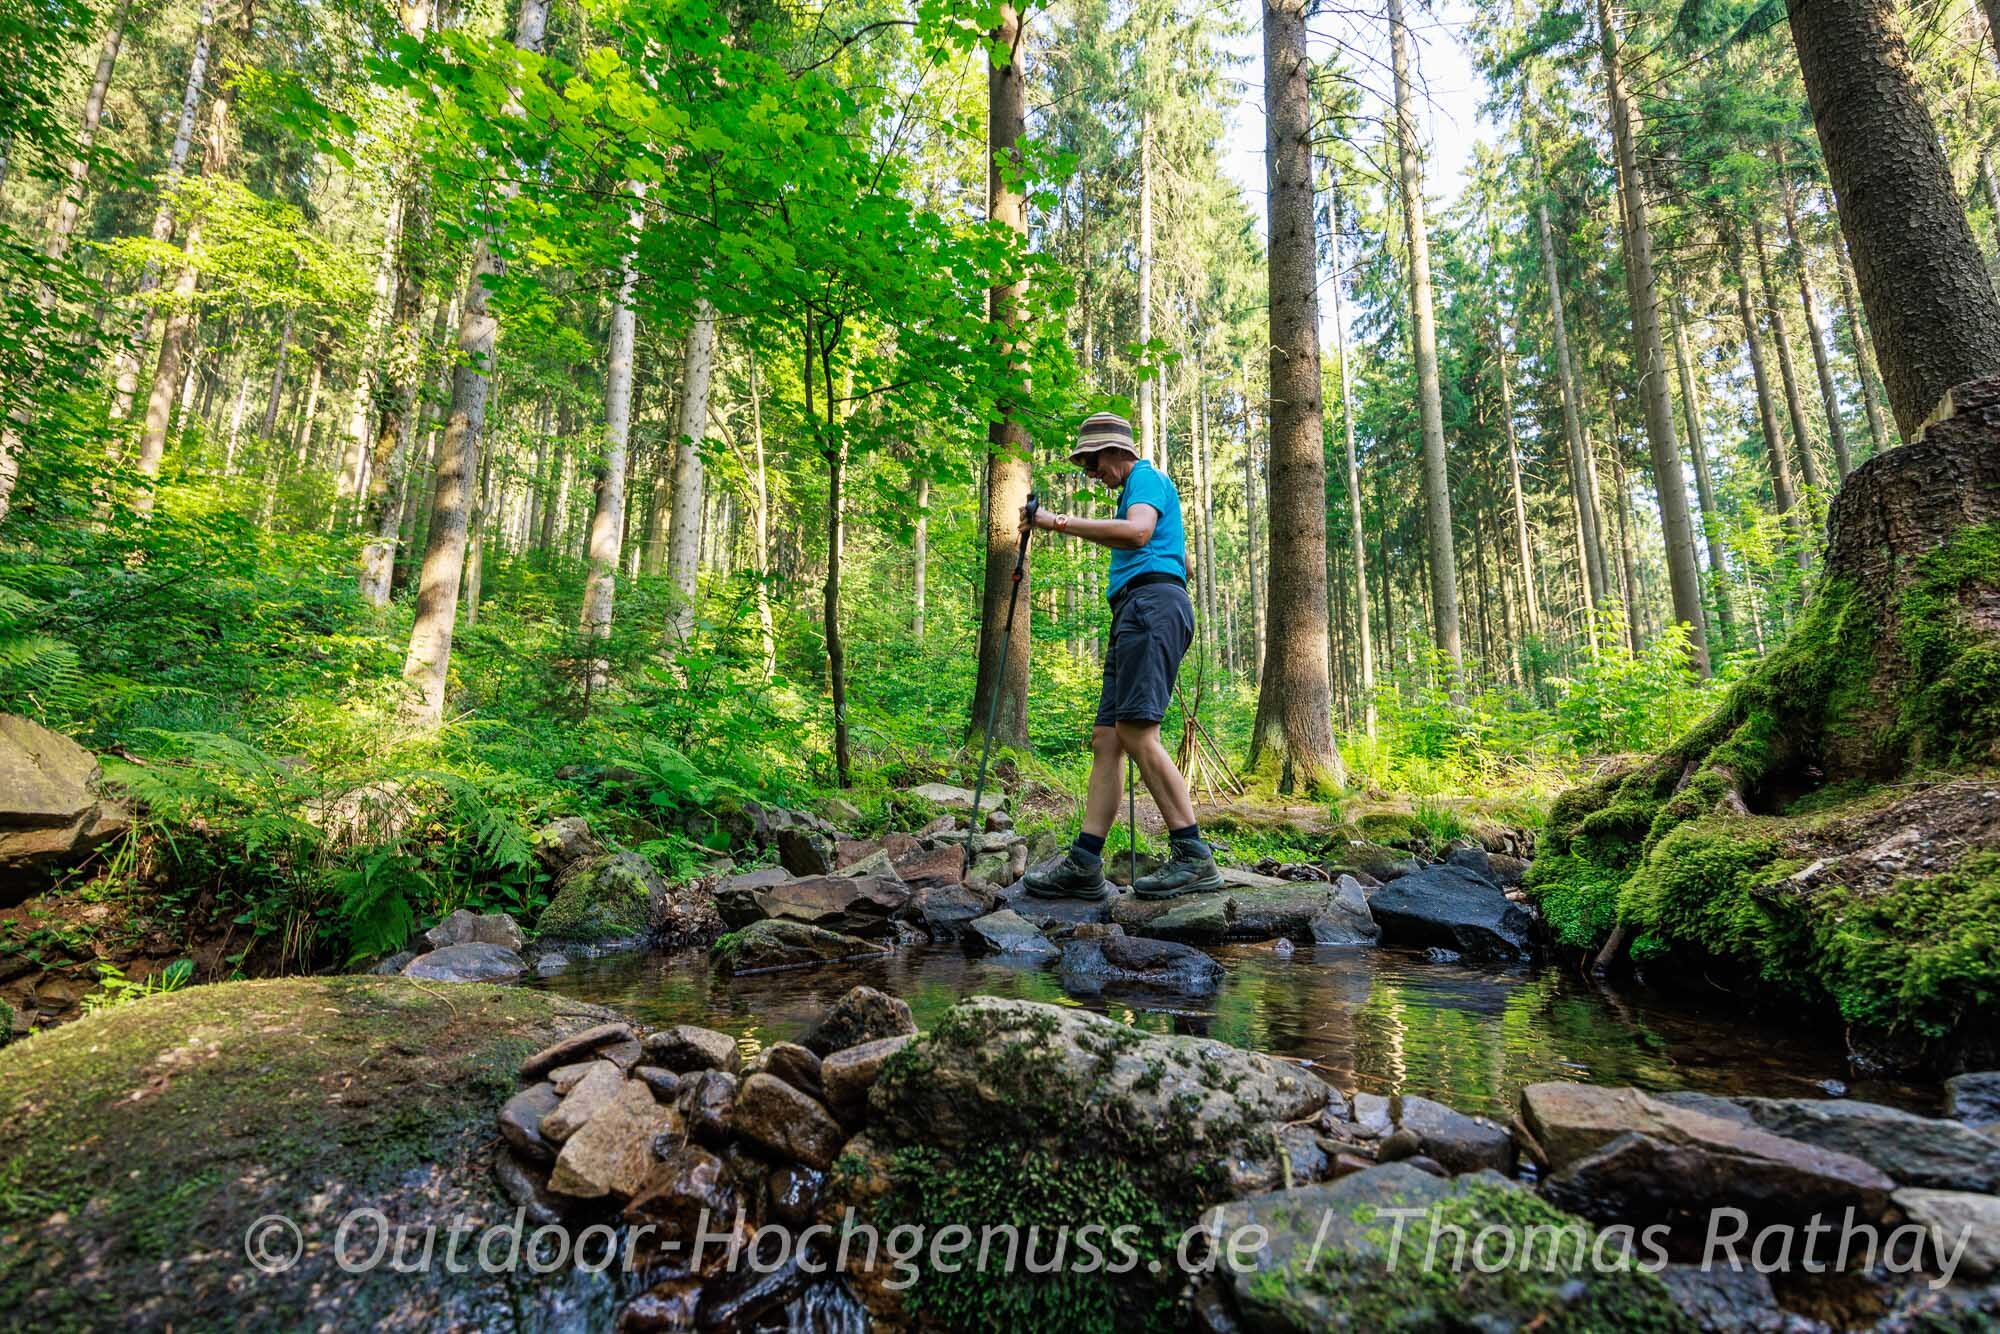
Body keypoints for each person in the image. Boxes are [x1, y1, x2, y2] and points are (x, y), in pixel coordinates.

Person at [1018, 412, 1221, 901]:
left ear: (1116, 451)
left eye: (1094, 462)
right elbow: (1178, 556)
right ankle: (1086, 864)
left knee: (1135, 731)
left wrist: (1057, 522)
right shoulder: (1142, 489)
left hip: (1150, 608)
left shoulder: (1146, 478)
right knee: (1107, 738)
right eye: (1087, 465)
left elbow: (1137, 533)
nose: (1093, 473)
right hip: (1138, 610)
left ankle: (1193, 857)